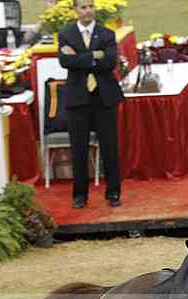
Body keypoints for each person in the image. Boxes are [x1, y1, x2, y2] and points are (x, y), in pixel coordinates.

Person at [58, 0, 125, 209]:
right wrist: (95, 55)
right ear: (75, 10)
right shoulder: (66, 34)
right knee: (79, 149)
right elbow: (65, 61)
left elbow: (110, 62)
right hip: (77, 98)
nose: (87, 11)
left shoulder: (107, 34)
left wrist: (79, 57)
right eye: (83, 7)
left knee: (109, 147)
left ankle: (113, 192)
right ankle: (80, 195)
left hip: (104, 98)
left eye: (90, 6)